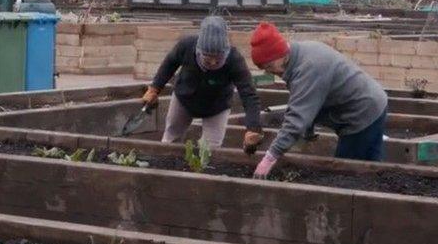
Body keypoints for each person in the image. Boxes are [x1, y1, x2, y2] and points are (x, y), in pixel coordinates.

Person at [249, 22, 388, 179]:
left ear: (280, 54)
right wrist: (308, 127)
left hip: (361, 112)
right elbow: (311, 100)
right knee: (371, 169)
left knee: (347, 175)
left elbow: (296, 119)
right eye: (264, 68)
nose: (269, 71)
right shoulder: (298, 55)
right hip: (370, 103)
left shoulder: (308, 68)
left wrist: (270, 157)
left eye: (269, 65)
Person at [142, 16, 263, 153]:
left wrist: (253, 128)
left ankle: (201, 173)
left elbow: (249, 94)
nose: (212, 63)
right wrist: (154, 88)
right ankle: (166, 168)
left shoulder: (234, 60)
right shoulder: (187, 46)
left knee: (210, 150)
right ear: (199, 51)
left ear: (226, 53)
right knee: (171, 139)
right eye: (207, 57)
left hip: (217, 106)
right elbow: (169, 64)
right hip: (184, 99)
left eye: (218, 59)